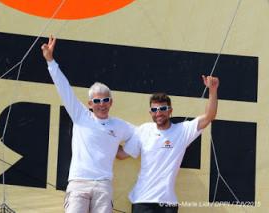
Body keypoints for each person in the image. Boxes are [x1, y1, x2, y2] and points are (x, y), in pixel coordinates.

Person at [41, 36, 134, 213]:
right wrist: (50, 61)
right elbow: (64, 88)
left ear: (111, 102)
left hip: (103, 186)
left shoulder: (120, 125)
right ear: (90, 104)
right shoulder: (80, 115)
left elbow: (143, 136)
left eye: (106, 100)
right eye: (97, 101)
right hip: (78, 184)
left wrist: (125, 152)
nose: (102, 104)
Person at [117, 76, 219, 213]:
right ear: (150, 113)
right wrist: (105, 138)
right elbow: (122, 154)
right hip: (142, 200)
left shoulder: (182, 131)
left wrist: (213, 90)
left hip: (168, 204)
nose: (158, 113)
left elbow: (209, 116)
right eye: (154, 110)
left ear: (170, 111)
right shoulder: (144, 130)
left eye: (162, 109)